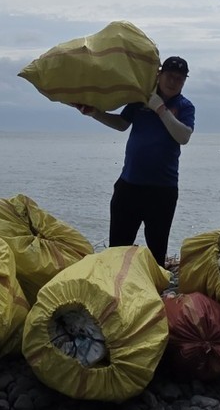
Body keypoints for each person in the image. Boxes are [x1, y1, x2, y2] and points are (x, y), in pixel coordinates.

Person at [76, 56, 195, 267]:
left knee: (157, 255)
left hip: (162, 191)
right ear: (159, 75)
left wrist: (160, 109)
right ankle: (114, 295)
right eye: (169, 76)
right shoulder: (140, 99)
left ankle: (153, 295)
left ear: (184, 81)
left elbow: (183, 136)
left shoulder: (185, 106)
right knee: (116, 252)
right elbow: (122, 124)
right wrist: (95, 113)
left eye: (179, 78)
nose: (173, 82)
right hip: (129, 187)